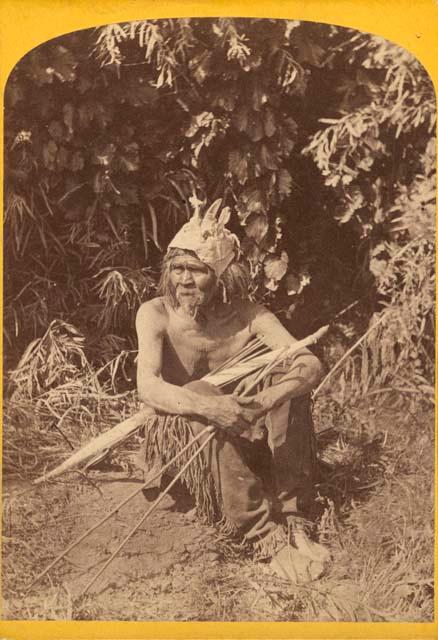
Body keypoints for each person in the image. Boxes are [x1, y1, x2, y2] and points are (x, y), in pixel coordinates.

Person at [135, 197, 330, 582]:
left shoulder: (249, 315)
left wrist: (264, 400)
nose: (185, 281)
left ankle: (294, 516)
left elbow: (310, 363)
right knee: (198, 391)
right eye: (178, 269)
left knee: (288, 382)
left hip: (242, 432)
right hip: (186, 443)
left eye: (197, 270)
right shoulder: (156, 313)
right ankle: (262, 534)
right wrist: (209, 408)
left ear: (221, 275)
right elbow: (149, 386)